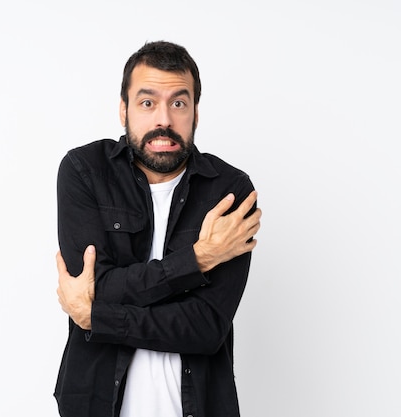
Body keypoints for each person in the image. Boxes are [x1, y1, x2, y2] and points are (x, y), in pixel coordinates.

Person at [54, 40, 262, 417]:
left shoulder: (230, 192)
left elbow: (204, 328)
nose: (163, 119)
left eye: (178, 103)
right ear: (124, 110)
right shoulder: (84, 172)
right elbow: (97, 284)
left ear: (196, 112)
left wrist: (97, 317)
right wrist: (198, 258)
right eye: (147, 102)